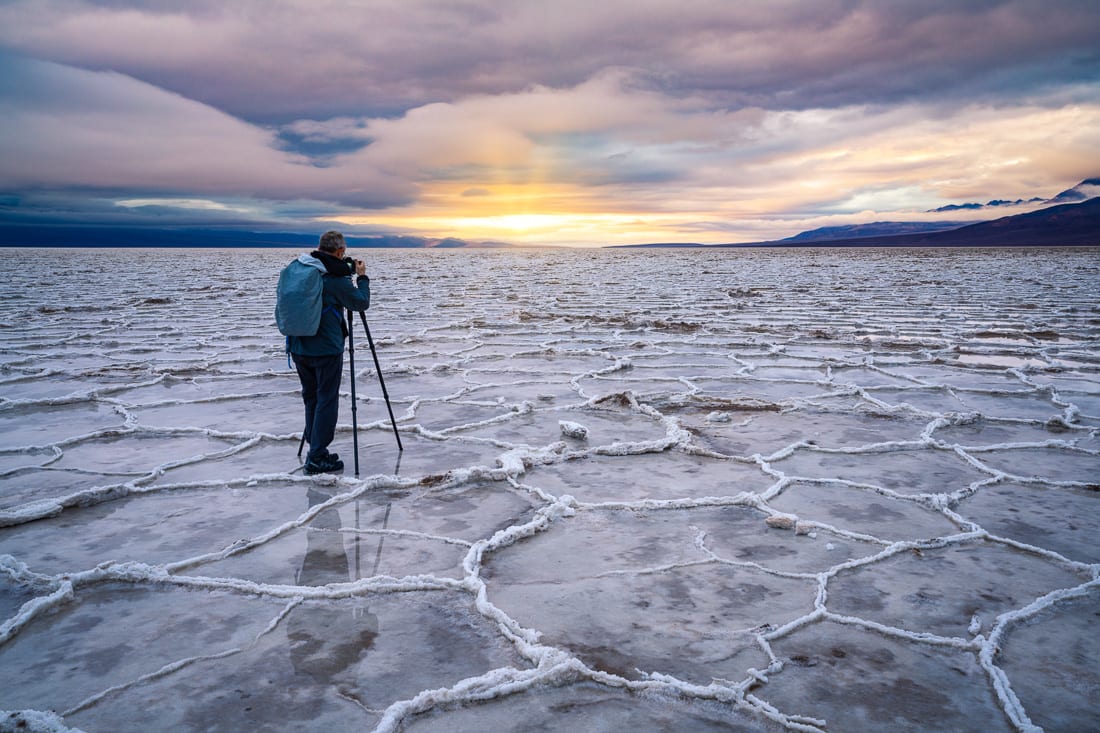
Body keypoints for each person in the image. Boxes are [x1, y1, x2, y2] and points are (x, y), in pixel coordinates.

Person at [288, 230, 370, 474]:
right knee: (326, 399)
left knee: (311, 397)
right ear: (340, 251)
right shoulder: (334, 279)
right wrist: (362, 279)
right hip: (325, 348)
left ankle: (315, 448)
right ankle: (317, 457)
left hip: (298, 344)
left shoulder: (301, 268)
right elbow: (359, 303)